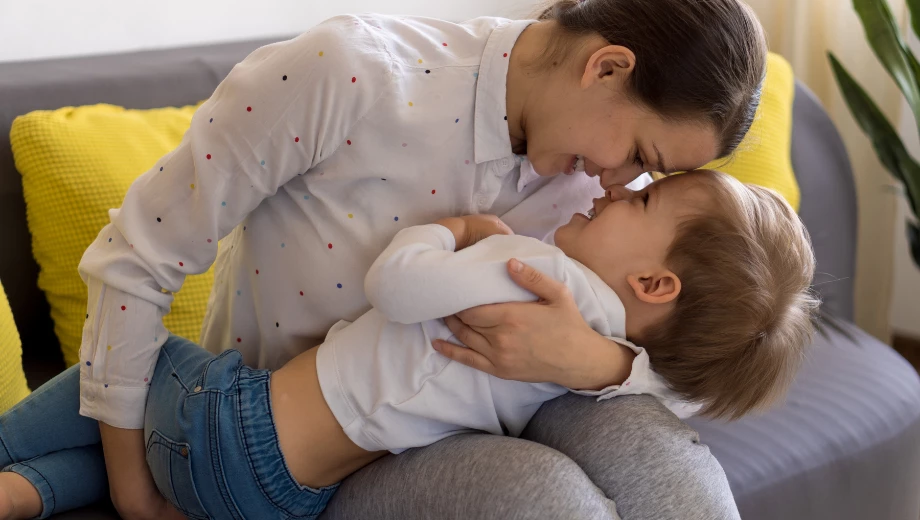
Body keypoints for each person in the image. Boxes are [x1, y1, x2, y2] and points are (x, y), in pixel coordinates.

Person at [1, 1, 768, 518]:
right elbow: (139, 255)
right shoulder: (350, 74)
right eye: (637, 154)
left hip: (467, 417)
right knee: (545, 499)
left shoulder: (600, 196)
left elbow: (709, 350)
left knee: (662, 457)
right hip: (286, 431)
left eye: (645, 178)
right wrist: (137, 495)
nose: (618, 183)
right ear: (606, 68)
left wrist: (597, 362)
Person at [0, 170, 816, 519]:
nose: (616, 192)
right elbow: (679, 392)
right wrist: (612, 364)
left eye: (645, 201)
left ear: (656, 284)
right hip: (289, 501)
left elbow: (396, 287)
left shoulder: (533, 271)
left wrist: (450, 230)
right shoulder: (612, 363)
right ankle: (25, 493)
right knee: (141, 434)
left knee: (116, 374)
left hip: (238, 432)